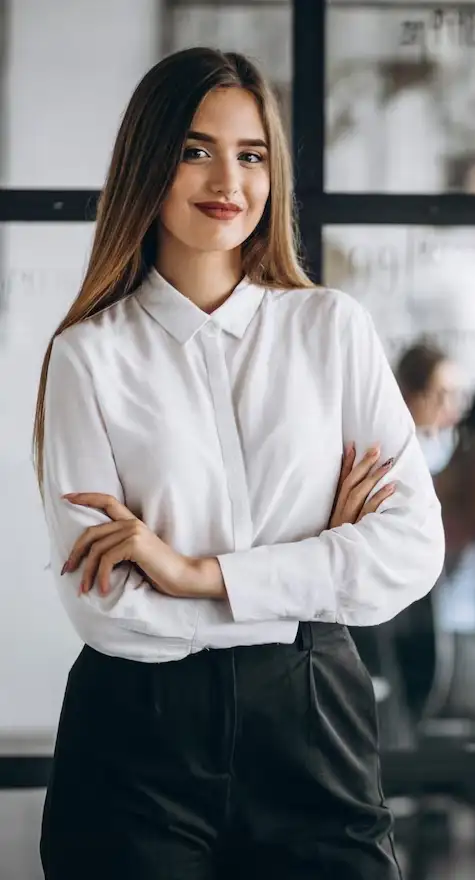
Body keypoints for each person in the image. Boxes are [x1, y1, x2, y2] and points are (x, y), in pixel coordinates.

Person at [34, 48, 444, 880]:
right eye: (194, 149)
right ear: (147, 163)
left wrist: (194, 573)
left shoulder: (332, 330)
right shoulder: (86, 357)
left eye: (251, 154)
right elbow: (107, 611)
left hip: (313, 724)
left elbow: (409, 553)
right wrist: (309, 576)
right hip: (135, 744)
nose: (228, 178)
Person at [395, 338, 467, 475]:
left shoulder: (455, 448)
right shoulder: (395, 456)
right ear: (412, 397)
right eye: (440, 394)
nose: (449, 406)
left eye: (454, 394)